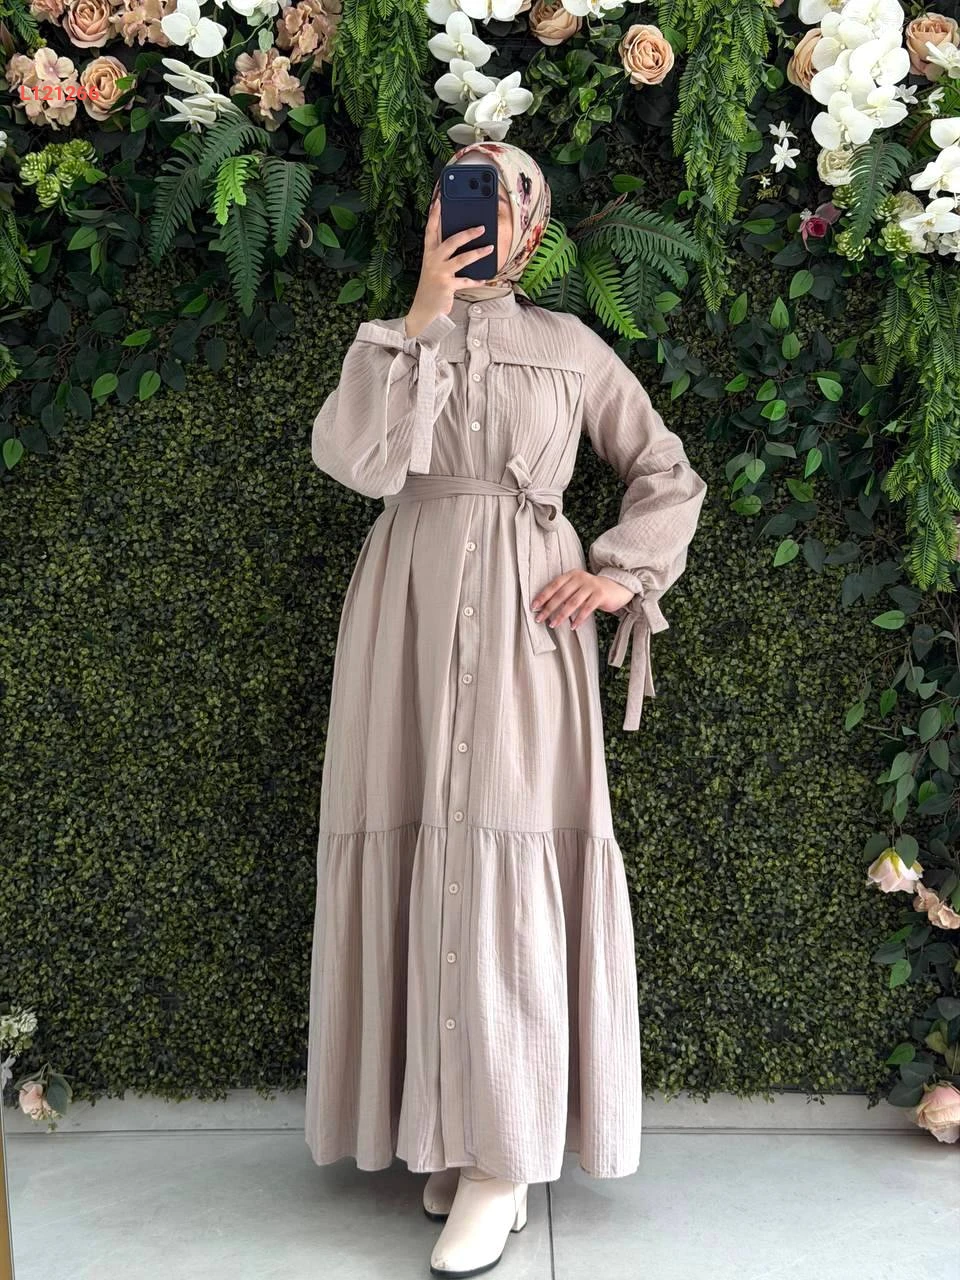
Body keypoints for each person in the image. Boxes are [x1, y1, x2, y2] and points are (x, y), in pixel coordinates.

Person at [305, 140, 708, 1277]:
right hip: (407, 607)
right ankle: (453, 1128)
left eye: (502, 194)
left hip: (530, 615)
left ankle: (504, 1157)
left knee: (508, 842)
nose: (480, 213)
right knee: (417, 837)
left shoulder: (572, 348)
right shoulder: (397, 337)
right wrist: (420, 316)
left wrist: (623, 571)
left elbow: (666, 470)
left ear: (533, 227)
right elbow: (354, 462)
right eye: (461, 190)